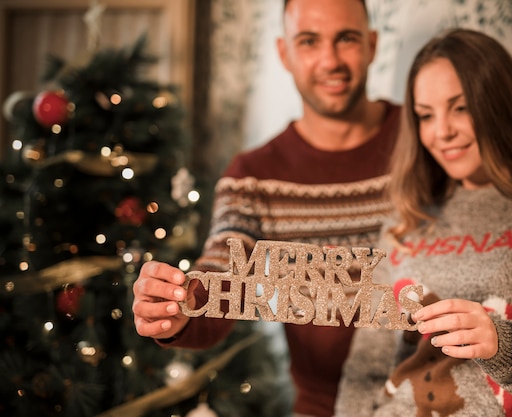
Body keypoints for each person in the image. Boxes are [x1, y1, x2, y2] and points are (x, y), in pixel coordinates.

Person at [335, 28, 512, 417]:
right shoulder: (404, 222)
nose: (442, 132)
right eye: (425, 115)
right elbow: (366, 370)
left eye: (461, 107)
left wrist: (502, 345)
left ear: (499, 103)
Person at [132, 1, 401, 416]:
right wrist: (177, 306)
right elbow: (222, 273)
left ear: (371, 44)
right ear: (284, 53)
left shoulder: (428, 140)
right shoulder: (253, 177)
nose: (330, 60)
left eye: (345, 38)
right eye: (309, 41)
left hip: (442, 397)